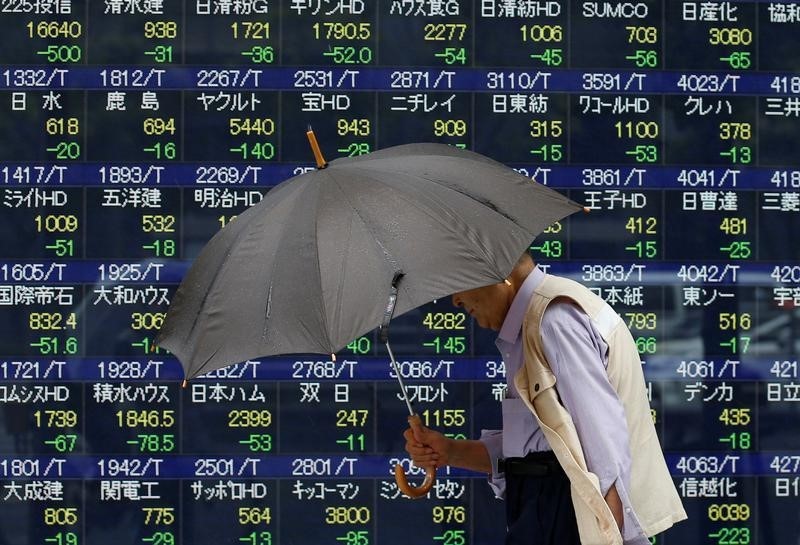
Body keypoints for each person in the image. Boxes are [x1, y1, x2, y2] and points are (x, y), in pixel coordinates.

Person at [404, 253, 686, 545]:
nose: (455, 301)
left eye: (458, 282)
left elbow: (602, 441)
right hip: (550, 511)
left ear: (500, 274)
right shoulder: (537, 323)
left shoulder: (553, 320)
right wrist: (449, 451)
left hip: (565, 514)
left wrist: (612, 537)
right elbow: (539, 449)